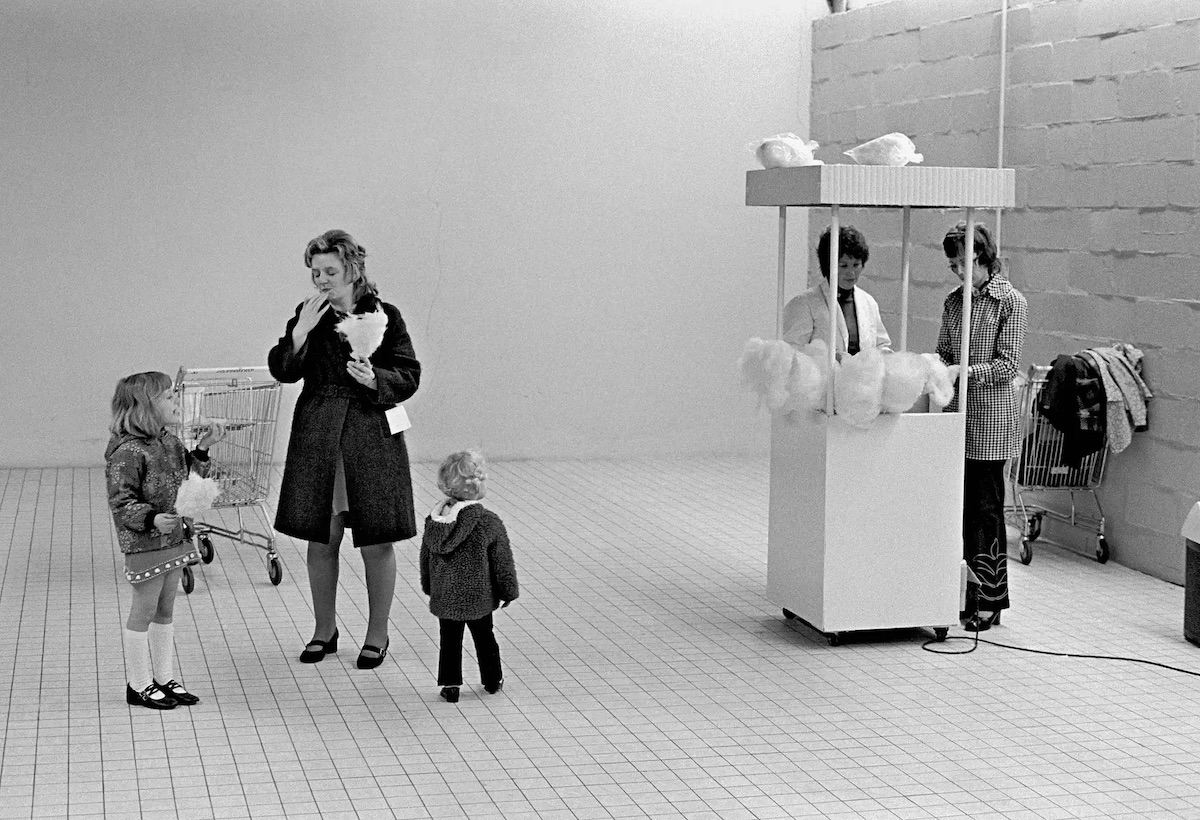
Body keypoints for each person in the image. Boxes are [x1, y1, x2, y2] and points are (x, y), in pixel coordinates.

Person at [268, 229, 421, 669]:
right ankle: (324, 630)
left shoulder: (385, 315)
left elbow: (409, 374)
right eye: (315, 272)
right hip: (319, 435)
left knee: (376, 539)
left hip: (370, 435)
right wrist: (299, 334)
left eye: (330, 271)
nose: (321, 280)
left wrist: (375, 380)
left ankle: (377, 634)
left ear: (354, 268)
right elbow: (284, 371)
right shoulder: (308, 313)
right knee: (323, 536)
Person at [105, 371, 226, 709]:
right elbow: (120, 500)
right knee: (143, 609)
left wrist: (202, 449)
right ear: (146, 406)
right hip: (145, 544)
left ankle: (163, 677)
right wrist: (150, 518)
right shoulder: (127, 452)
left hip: (173, 539)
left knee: (166, 608)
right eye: (170, 397)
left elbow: (190, 478)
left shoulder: (168, 441)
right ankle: (139, 683)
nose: (177, 402)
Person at [935, 221, 1029, 632]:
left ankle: (991, 600)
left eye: (964, 262)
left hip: (991, 422)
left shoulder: (1010, 302)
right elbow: (943, 351)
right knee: (957, 510)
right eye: (953, 265)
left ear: (984, 256)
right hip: (957, 417)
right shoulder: (954, 303)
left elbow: (1008, 364)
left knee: (986, 511)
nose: (958, 271)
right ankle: (963, 596)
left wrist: (964, 372)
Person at [420, 451, 519, 703]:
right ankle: (492, 680)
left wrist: (431, 587)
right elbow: (502, 561)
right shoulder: (488, 522)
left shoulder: (435, 522)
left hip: (446, 596)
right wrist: (508, 591)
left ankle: (451, 685)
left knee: (450, 641)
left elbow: (426, 558)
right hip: (479, 596)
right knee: (485, 638)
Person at [782, 224, 892, 357]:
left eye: (856, 265)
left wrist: (890, 360)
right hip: (822, 377)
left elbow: (881, 345)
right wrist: (829, 359)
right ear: (828, 265)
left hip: (862, 377)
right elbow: (791, 352)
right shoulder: (804, 304)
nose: (851, 273)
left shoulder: (869, 303)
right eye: (843, 265)